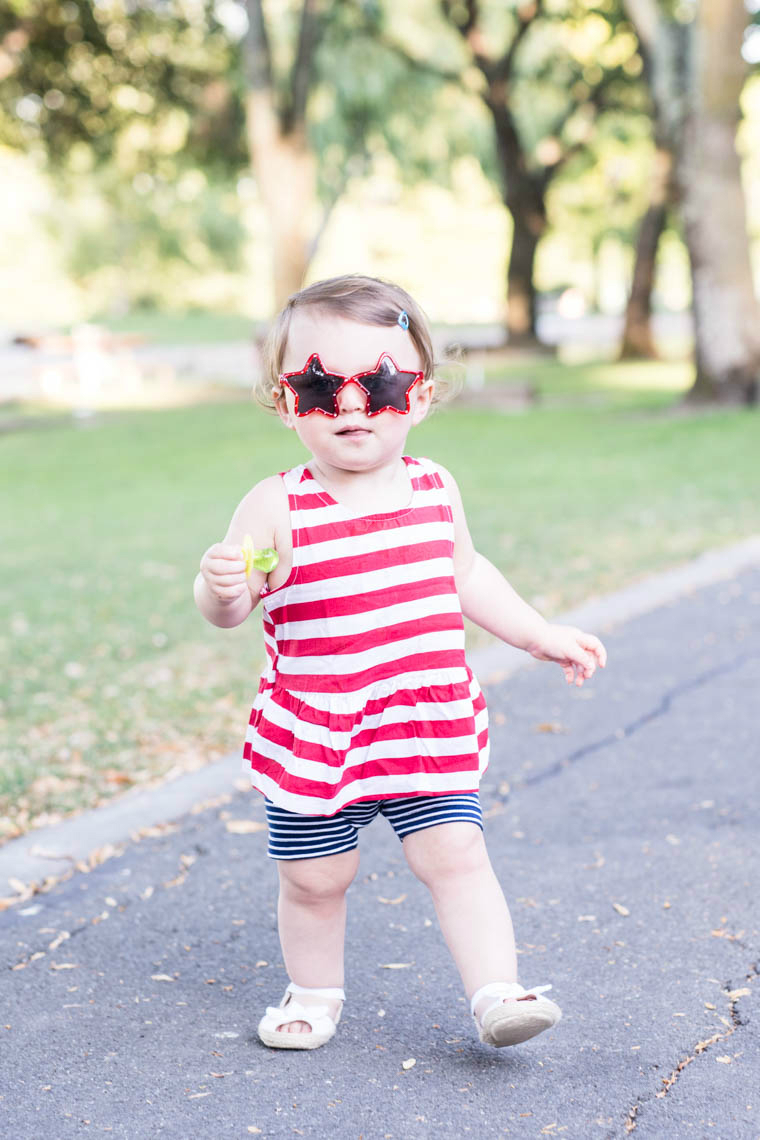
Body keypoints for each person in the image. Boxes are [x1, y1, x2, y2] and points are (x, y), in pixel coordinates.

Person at [194, 274, 607, 1051]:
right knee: (316, 881)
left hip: (422, 721)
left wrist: (538, 634)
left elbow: (466, 575)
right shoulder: (275, 506)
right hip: (320, 731)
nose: (351, 405)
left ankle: (497, 992)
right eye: (319, 386)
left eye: (379, 382)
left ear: (418, 396)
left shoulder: (434, 488)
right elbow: (232, 605)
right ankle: (313, 994)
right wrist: (218, 587)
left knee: (456, 855)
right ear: (286, 404)